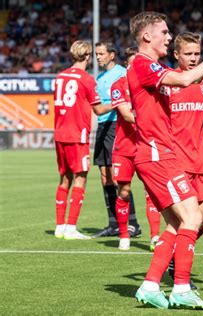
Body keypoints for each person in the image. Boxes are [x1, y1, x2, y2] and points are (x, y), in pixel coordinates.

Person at [127, 12, 203, 310]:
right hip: (159, 153)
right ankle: (182, 287)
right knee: (193, 218)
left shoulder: (150, 66)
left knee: (176, 225)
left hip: (161, 153)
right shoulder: (144, 64)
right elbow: (185, 77)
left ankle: (149, 285)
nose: (169, 36)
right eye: (164, 32)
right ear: (147, 36)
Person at [164, 31, 203, 286]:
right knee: (181, 222)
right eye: (188, 54)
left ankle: (177, 253)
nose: (193, 58)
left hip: (201, 161)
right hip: (177, 162)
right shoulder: (168, 82)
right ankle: (178, 275)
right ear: (176, 55)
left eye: (197, 53)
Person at [53, 40, 113, 240]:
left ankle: (59, 226)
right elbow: (98, 109)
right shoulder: (86, 79)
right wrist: (118, 103)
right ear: (87, 56)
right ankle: (71, 228)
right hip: (76, 134)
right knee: (81, 178)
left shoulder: (60, 77)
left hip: (60, 133)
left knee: (64, 178)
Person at [110, 47, 161, 251]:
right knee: (123, 191)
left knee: (152, 193)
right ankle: (124, 235)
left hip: (146, 146)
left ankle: (155, 236)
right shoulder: (118, 85)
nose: (135, 67)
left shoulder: (149, 86)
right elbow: (127, 114)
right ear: (127, 65)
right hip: (124, 148)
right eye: (131, 63)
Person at [93, 41, 141, 238]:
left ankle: (132, 223)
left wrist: (117, 105)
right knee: (104, 176)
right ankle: (113, 224)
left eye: (101, 53)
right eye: (96, 54)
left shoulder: (122, 73)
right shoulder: (100, 77)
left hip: (116, 126)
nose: (98, 57)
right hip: (102, 126)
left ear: (112, 55)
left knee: (118, 178)